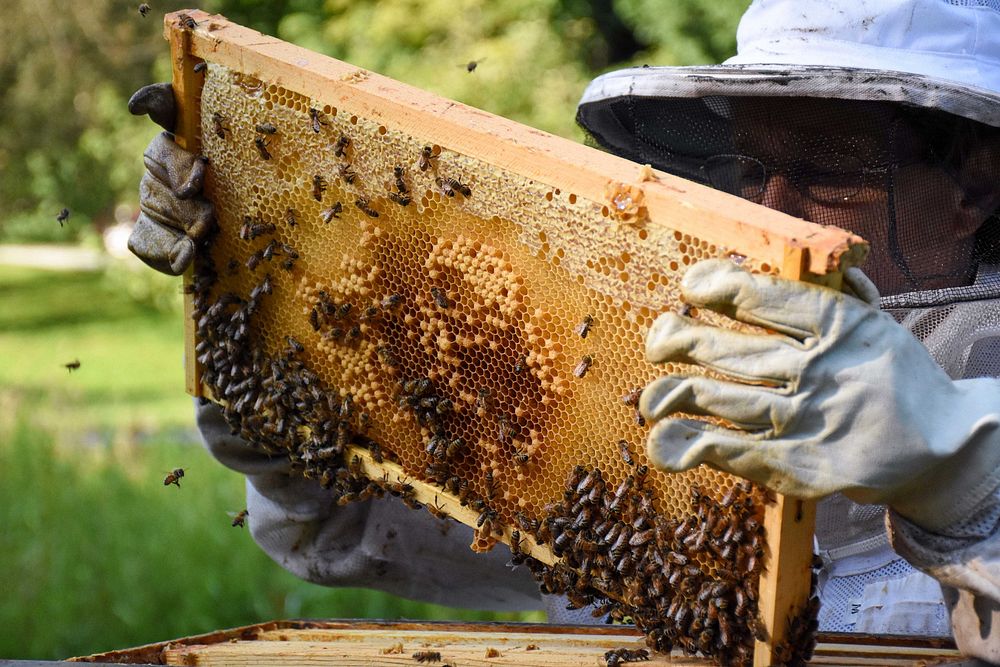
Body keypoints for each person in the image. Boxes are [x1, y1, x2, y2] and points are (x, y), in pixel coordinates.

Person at [129, 0, 1000, 660]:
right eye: (752, 168)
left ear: (975, 182)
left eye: (830, 171)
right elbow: (346, 525)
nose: (772, 214)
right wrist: (257, 309)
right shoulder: (645, 376)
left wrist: (960, 478)